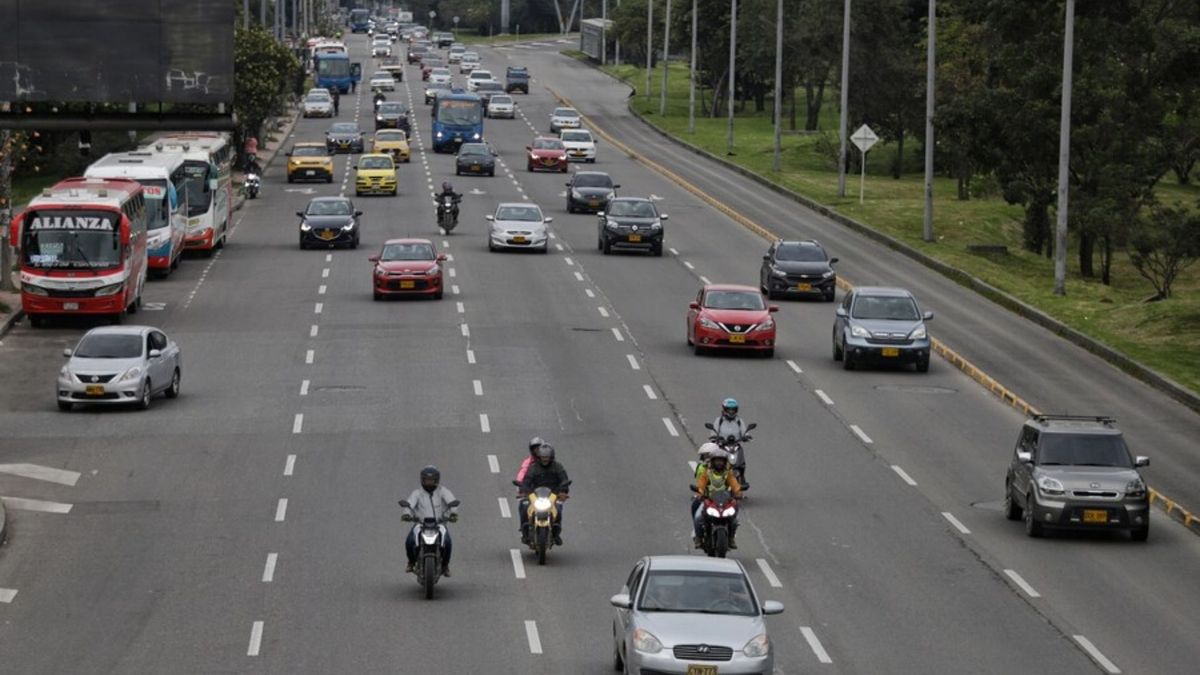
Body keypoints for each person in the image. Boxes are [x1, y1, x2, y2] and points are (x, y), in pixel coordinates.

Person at [401, 466, 459, 576]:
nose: (429, 483)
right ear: (422, 480)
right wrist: (406, 515)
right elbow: (409, 505)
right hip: (420, 524)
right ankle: (411, 562)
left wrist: (453, 514)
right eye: (427, 480)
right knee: (409, 541)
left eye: (431, 480)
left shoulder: (443, 491)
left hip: (439, 524)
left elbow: (452, 502)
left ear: (436, 480)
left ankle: (445, 566)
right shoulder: (417, 493)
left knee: (447, 542)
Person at [518, 444, 569, 546]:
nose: (545, 460)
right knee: (523, 506)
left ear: (551, 457)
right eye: (543, 457)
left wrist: (563, 491)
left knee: (558, 509)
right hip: (535, 495)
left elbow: (564, 481)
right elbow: (526, 481)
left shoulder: (558, 467)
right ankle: (525, 533)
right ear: (539, 457)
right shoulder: (533, 468)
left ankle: (556, 534)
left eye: (547, 457)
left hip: (553, 495)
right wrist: (523, 490)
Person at [692, 447, 742, 549]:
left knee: (734, 518)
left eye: (721, 461)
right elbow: (701, 485)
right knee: (697, 518)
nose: (719, 463)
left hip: (725, 501)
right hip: (708, 500)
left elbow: (734, 484)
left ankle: (731, 538)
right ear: (712, 462)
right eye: (717, 461)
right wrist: (699, 493)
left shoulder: (728, 474)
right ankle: (698, 538)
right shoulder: (707, 473)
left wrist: (738, 492)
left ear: (725, 462)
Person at [711, 397, 751, 487]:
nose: (731, 412)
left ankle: (742, 477)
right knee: (714, 461)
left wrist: (746, 436)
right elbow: (714, 431)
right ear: (724, 409)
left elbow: (744, 431)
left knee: (741, 461)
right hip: (722, 445)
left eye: (733, 410)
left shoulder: (739, 421)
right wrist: (714, 437)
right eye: (729, 410)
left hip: (735, 445)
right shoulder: (719, 420)